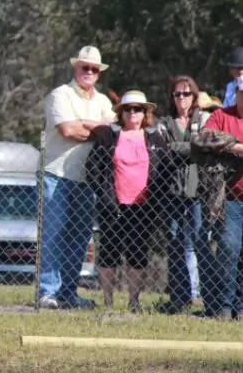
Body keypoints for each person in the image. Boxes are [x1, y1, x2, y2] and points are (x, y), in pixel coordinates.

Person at [37, 46, 116, 310]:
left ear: (99, 73)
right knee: (53, 234)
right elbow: (68, 130)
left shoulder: (104, 101)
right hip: (55, 174)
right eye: (86, 67)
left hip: (88, 179)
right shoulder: (60, 94)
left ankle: (68, 294)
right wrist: (96, 127)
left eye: (95, 69)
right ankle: (47, 292)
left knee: (80, 238)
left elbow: (109, 134)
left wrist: (85, 123)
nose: (90, 72)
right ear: (76, 68)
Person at [86, 91, 169, 312]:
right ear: (121, 113)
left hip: (144, 206)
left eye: (138, 109)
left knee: (138, 253)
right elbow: (92, 168)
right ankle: (107, 301)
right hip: (113, 204)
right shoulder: (109, 136)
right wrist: (104, 193)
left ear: (145, 113)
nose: (133, 113)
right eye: (128, 109)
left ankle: (134, 300)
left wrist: (157, 199)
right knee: (110, 251)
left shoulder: (155, 138)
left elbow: (166, 169)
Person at [155, 77, 209, 310]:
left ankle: (208, 294)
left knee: (199, 241)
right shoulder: (164, 123)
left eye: (186, 94)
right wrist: (191, 148)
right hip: (172, 191)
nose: (181, 99)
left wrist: (177, 147)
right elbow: (162, 153)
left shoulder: (204, 119)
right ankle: (179, 296)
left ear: (194, 97)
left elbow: (205, 146)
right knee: (175, 242)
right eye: (177, 94)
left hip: (199, 190)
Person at [196, 75, 243, 320]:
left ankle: (241, 306)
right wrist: (236, 147)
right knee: (228, 247)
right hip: (230, 198)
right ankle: (225, 304)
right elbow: (203, 138)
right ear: (237, 93)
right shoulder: (222, 116)